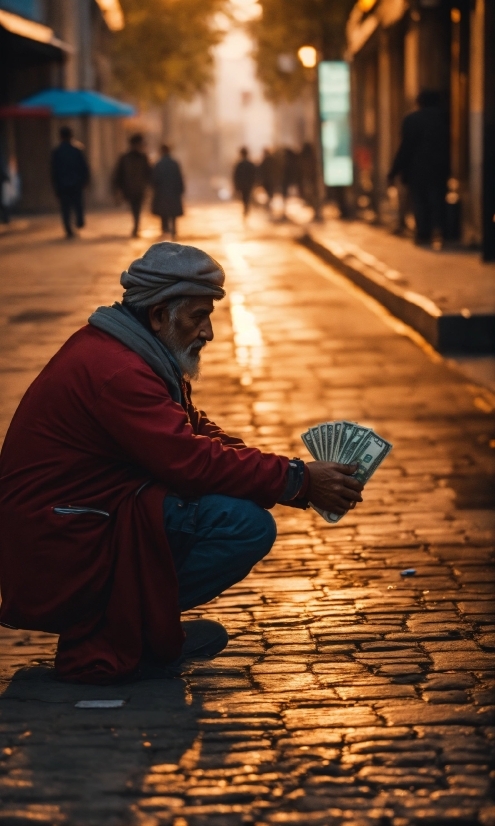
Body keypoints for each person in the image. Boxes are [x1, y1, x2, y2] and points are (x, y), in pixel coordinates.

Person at [0, 242, 364, 685]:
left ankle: (138, 624)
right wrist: (298, 481)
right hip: (57, 541)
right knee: (244, 525)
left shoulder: (132, 350)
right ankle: (130, 625)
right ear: (158, 316)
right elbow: (188, 462)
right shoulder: (119, 370)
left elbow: (194, 432)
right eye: (198, 317)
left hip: (83, 518)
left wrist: (276, 470)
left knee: (229, 497)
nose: (208, 333)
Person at [387, 90, 449, 246]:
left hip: (417, 169)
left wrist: (394, 171)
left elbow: (405, 147)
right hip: (439, 168)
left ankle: (423, 233)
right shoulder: (445, 117)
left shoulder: (412, 119)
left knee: (420, 201)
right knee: (437, 200)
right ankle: (441, 231)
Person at [51, 126, 90, 239]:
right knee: (77, 205)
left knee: (65, 208)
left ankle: (68, 229)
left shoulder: (57, 152)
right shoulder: (77, 150)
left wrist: (56, 186)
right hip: (76, 183)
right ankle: (79, 222)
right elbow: (84, 167)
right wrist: (85, 180)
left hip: (63, 185)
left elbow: (54, 171)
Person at [112, 133, 151, 238]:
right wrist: (117, 189)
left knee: (137, 208)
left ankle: (136, 226)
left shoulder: (143, 157)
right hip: (129, 189)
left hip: (139, 189)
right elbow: (118, 174)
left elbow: (149, 173)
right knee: (135, 208)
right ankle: (136, 225)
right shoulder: (125, 158)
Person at [151, 145, 184, 240]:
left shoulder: (158, 164)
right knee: (173, 213)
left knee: (163, 213)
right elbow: (179, 178)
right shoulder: (174, 163)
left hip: (162, 192)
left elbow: (154, 179)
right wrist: (180, 190)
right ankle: (173, 230)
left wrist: (155, 189)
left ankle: (165, 230)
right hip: (173, 192)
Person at [233, 147, 256, 217]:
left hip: (242, 185)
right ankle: (246, 210)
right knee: (247, 198)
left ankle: (245, 210)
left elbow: (236, 176)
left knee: (244, 198)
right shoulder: (250, 164)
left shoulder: (239, 164)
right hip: (249, 185)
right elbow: (254, 175)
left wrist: (236, 186)